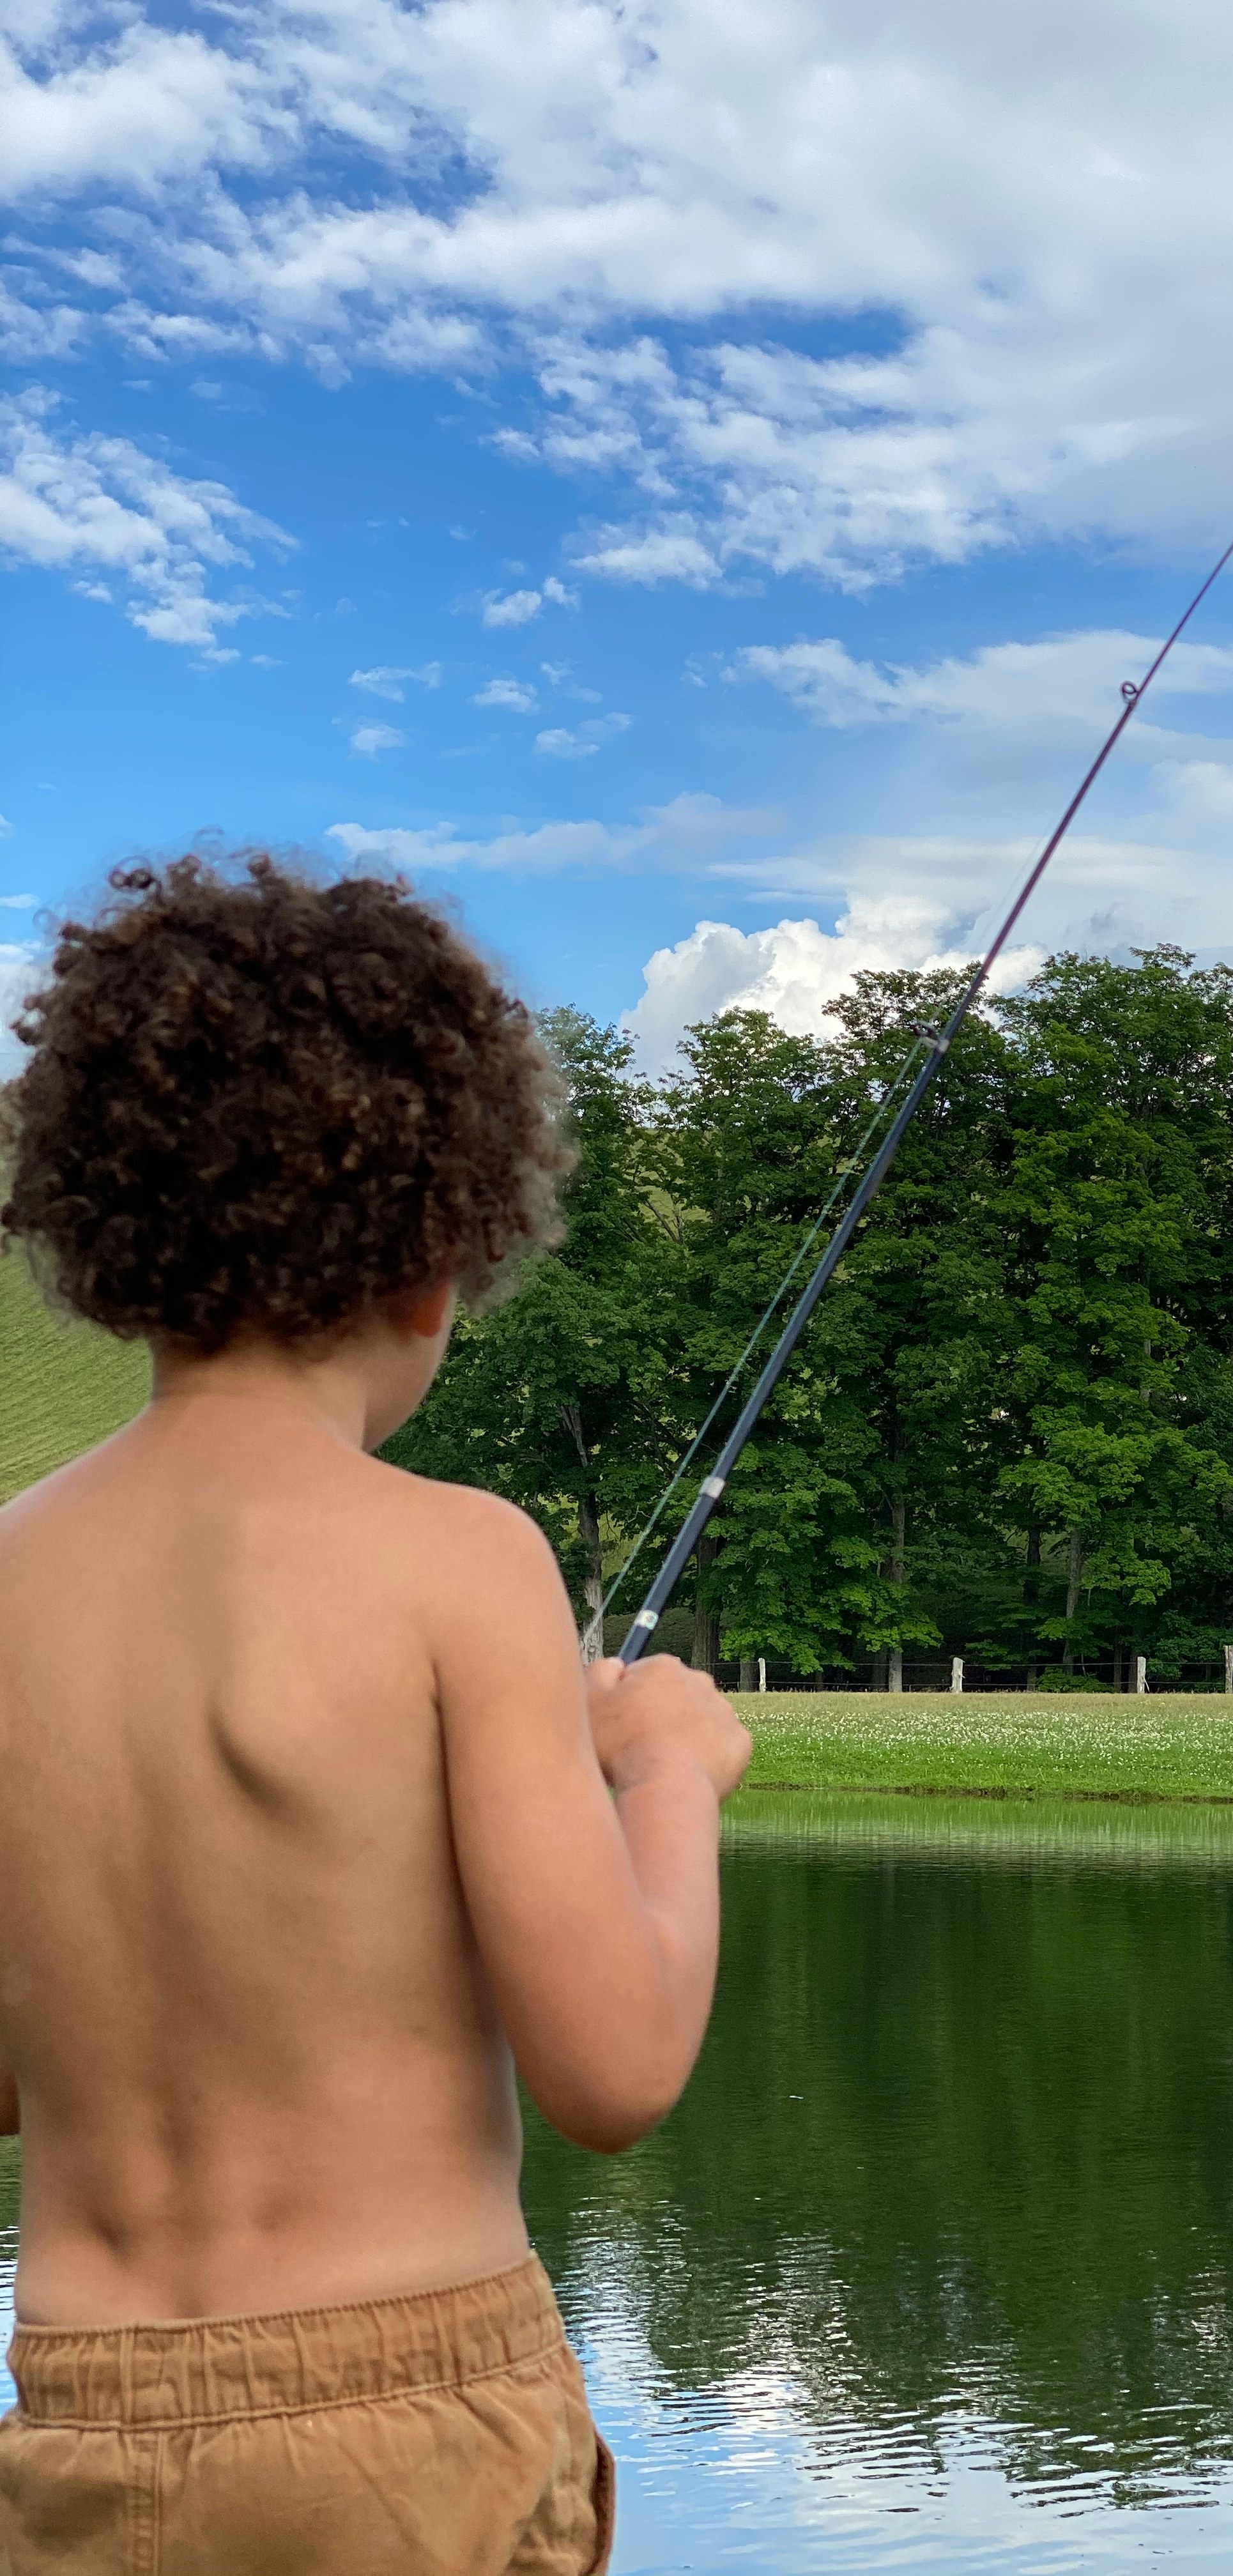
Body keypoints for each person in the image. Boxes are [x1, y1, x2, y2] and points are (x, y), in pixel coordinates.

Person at [0, 854, 751, 2575]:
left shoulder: (7, 1575)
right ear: (438, 1256)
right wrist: (667, 1776)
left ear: (106, 1239)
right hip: (408, 2424)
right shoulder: (461, 1558)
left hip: (81, 2425)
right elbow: (615, 2072)